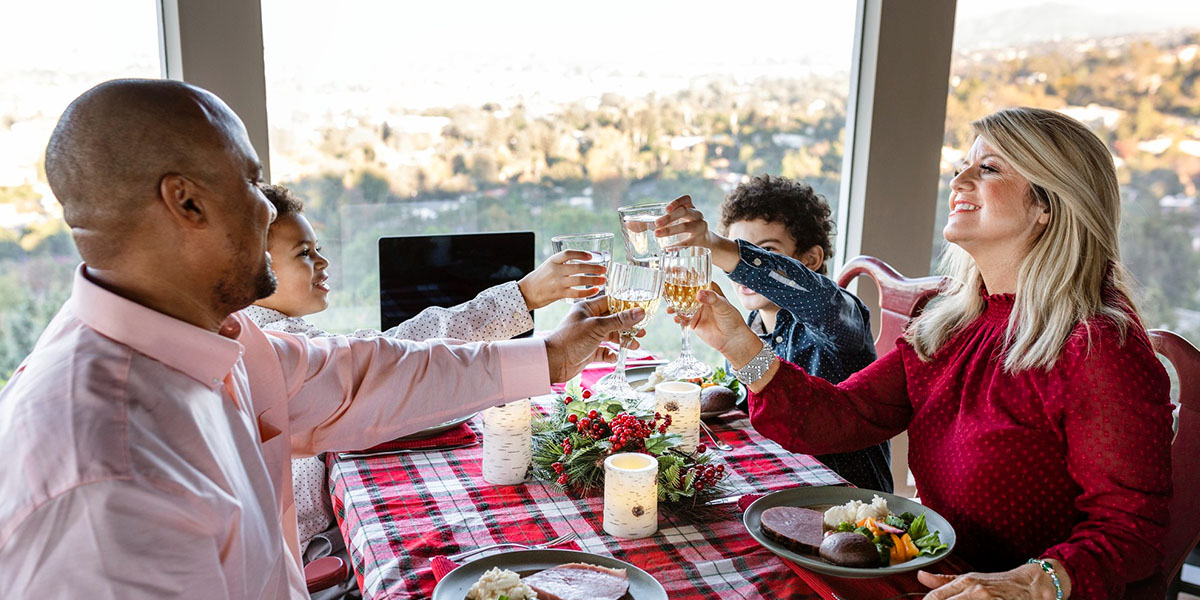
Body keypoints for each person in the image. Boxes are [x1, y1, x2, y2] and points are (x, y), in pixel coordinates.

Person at [0, 78, 643, 598]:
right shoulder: (109, 475)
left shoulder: (215, 338)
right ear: (186, 203)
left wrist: (553, 355)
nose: (266, 207)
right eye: (251, 180)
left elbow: (365, 375)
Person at [678, 108, 1173, 599]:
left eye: (990, 168)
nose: (958, 179)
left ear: (1048, 204)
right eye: (963, 164)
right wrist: (741, 346)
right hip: (934, 574)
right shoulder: (956, 321)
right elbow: (840, 417)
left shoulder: (1100, 347)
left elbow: (1131, 530)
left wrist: (1029, 583)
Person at [243, 183, 604, 578]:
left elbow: (389, 356)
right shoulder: (271, 347)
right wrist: (525, 299)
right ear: (253, 264)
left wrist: (531, 312)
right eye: (304, 253)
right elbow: (394, 357)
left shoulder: (272, 333)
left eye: (318, 248)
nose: (323, 262)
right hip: (313, 555)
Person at [653, 179, 890, 492]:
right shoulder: (749, 323)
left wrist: (722, 247)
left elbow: (817, 299)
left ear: (811, 260)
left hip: (848, 497)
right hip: (780, 486)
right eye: (740, 247)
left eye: (766, 251)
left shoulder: (840, 321)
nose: (739, 267)